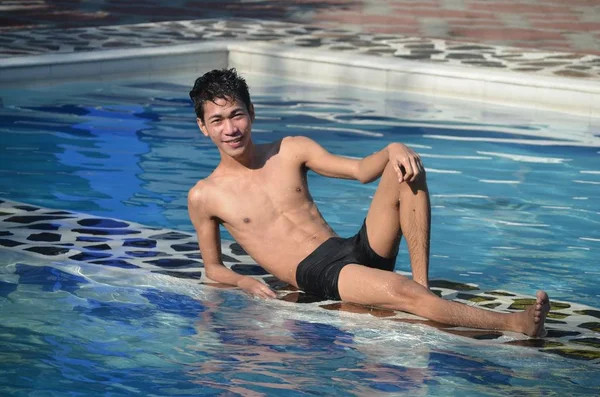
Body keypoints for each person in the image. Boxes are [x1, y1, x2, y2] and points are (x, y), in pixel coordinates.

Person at [187, 68, 550, 337]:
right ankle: (513, 323)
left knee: (403, 167)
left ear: (251, 112)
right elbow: (214, 269)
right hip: (316, 274)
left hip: (347, 249)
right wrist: (244, 282)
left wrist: (393, 149)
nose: (230, 129)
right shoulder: (206, 195)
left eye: (236, 115)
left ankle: (423, 283)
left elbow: (362, 171)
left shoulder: (290, 149)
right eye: (217, 120)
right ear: (204, 127)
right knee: (399, 292)